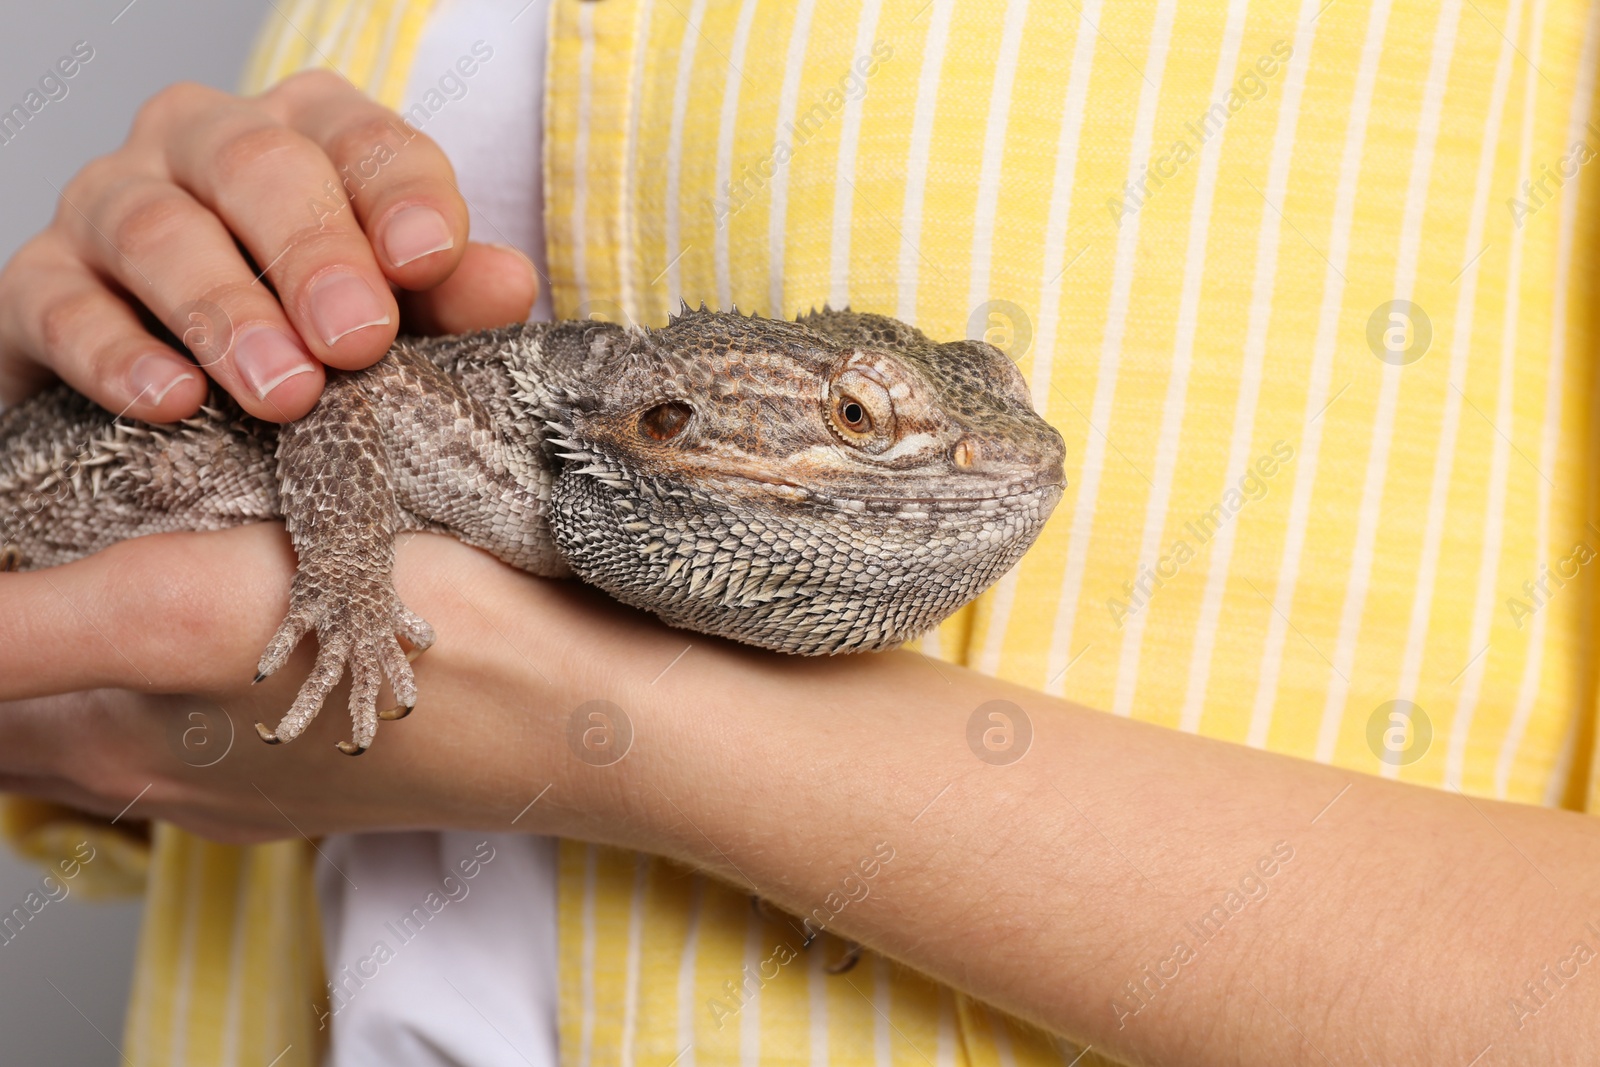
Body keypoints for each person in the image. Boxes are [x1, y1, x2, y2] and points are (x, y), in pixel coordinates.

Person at [1, 0, 1598, 1064]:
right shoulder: (565, 437)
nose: (967, 459)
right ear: (669, 431)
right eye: (851, 422)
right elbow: (330, 434)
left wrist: (607, 727)